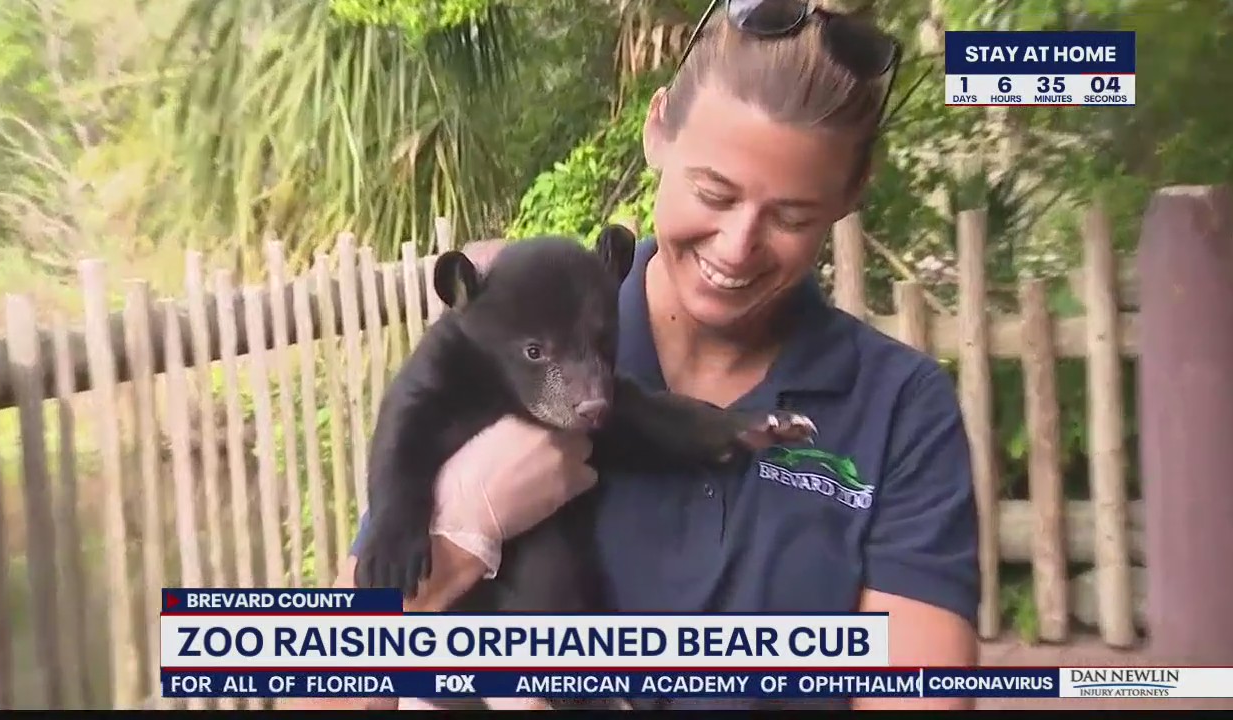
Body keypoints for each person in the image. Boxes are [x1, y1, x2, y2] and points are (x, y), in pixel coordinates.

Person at [284, 0, 980, 710]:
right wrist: (463, 536)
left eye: (791, 217)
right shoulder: (509, 345)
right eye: (714, 192)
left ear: (852, 193)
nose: (738, 246)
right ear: (657, 131)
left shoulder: (899, 410)